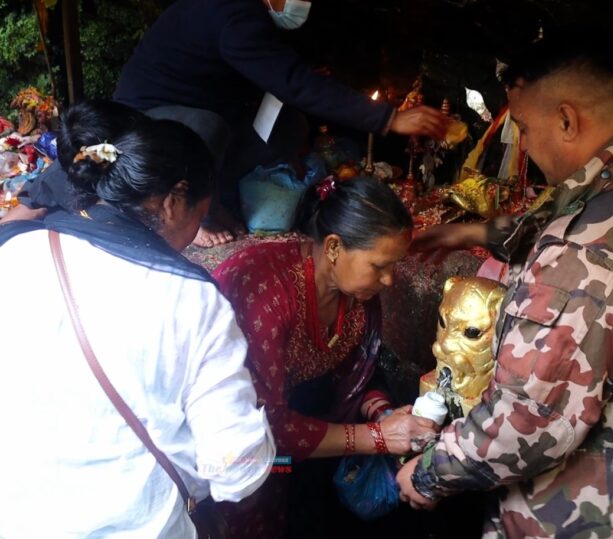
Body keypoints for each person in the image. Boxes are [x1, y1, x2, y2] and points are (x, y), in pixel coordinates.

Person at [397, 41, 613, 537]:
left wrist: (430, 473)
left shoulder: (577, 258)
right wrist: (472, 232)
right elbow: (569, 214)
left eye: (523, 127)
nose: (523, 144)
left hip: (572, 515)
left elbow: (527, 421)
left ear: (566, 120)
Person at [0, 100, 275, 537]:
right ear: (173, 202)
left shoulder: (17, 251)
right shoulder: (192, 301)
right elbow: (236, 472)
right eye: (200, 215)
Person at [108, 0, 450, 247]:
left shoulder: (250, 15)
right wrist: (389, 118)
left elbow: (279, 75)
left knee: (287, 127)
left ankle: (218, 195)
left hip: (207, 109)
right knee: (206, 129)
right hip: (147, 125)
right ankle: (199, 214)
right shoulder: (232, 14)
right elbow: (295, 82)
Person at [211, 176, 439, 536]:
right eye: (379, 266)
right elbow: (264, 425)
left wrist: (381, 412)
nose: (390, 280)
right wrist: (377, 437)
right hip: (253, 453)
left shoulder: (357, 295)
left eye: (394, 266)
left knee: (314, 512)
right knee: (262, 511)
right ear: (334, 247)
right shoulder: (265, 291)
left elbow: (358, 373)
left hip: (314, 435)